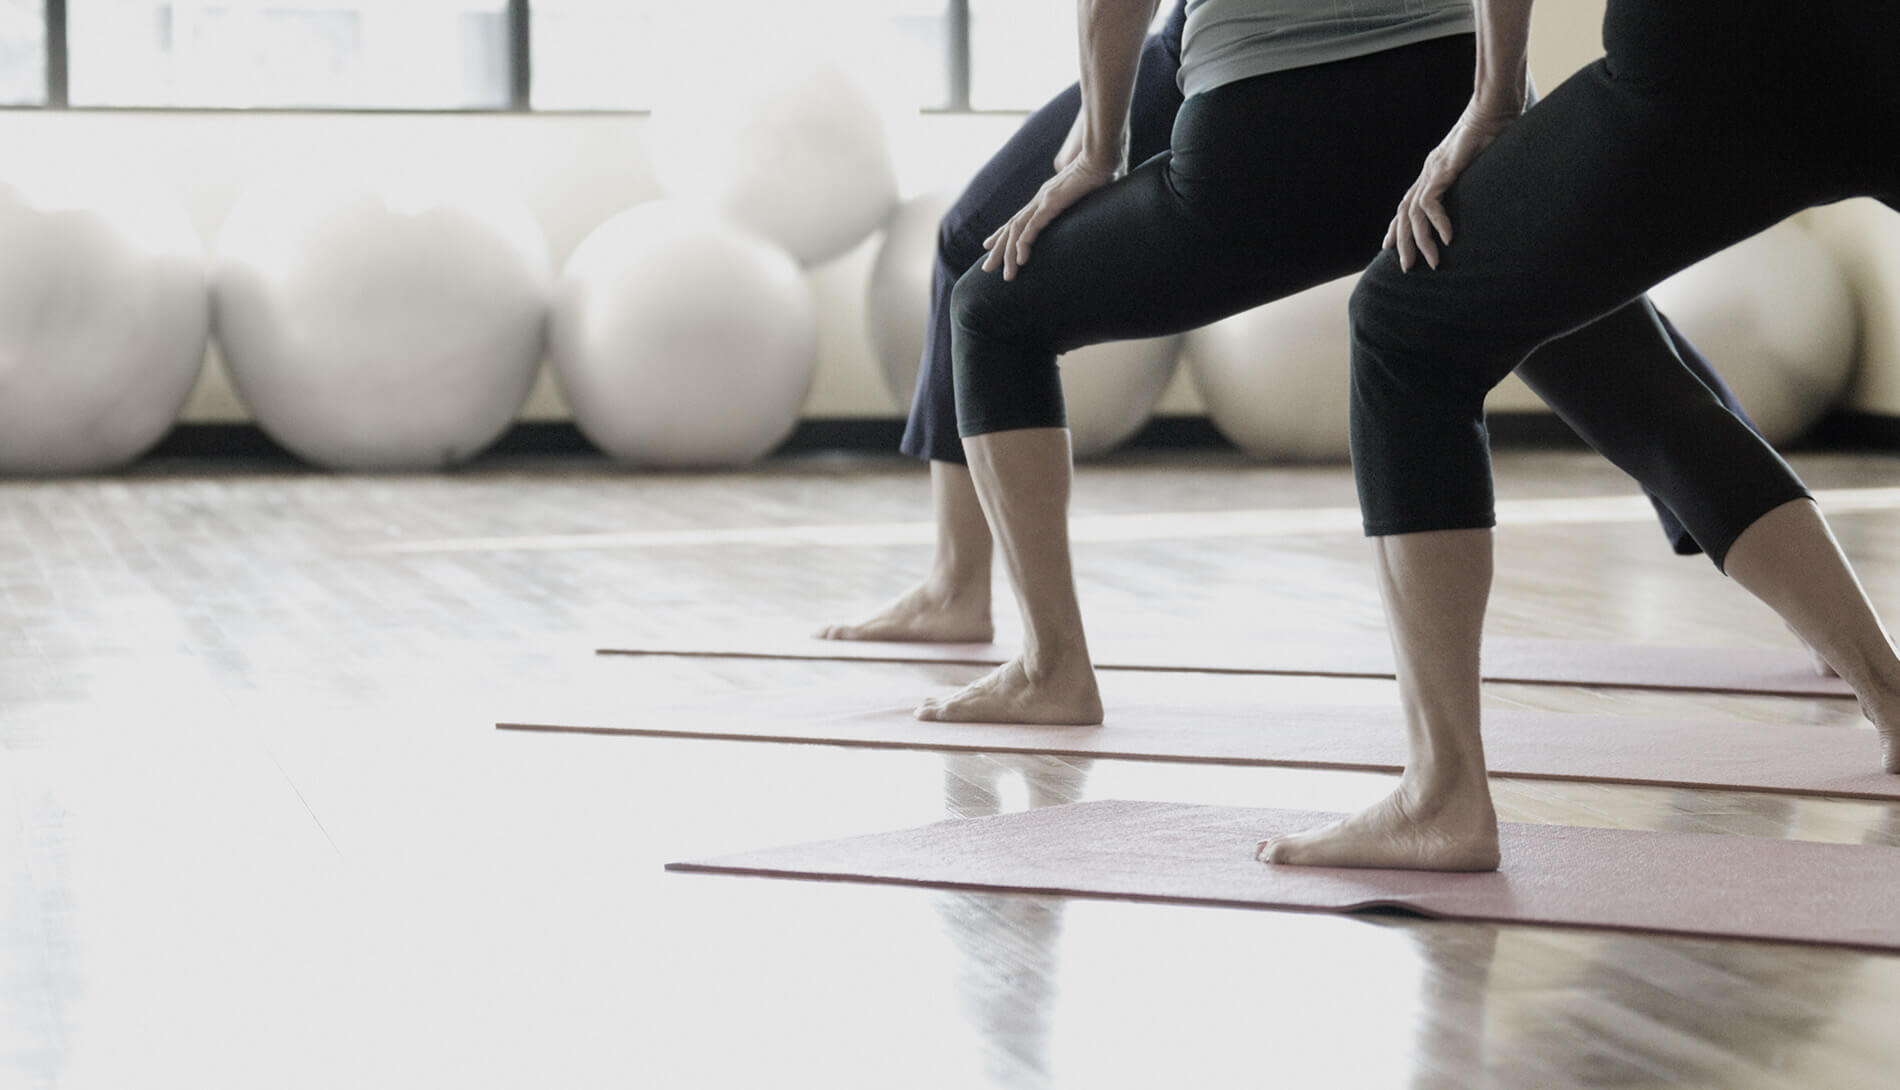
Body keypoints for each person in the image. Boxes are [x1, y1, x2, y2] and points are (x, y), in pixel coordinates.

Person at [818, 0, 1759, 653]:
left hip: (1374, 64)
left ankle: (1809, 605)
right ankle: (956, 584)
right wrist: (1098, 137)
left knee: (1600, 352)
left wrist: (1493, 91)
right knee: (975, 240)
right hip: (1216, 46)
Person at [1256, 0, 1900, 871]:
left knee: (1404, 326)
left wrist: (1493, 101)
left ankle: (1441, 795)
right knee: (1603, 361)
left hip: (1720, 51)